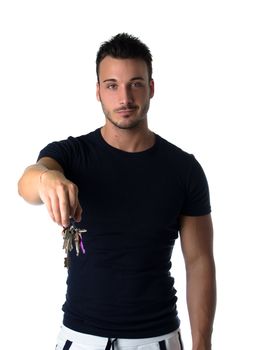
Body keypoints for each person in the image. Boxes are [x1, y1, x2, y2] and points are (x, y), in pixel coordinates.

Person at [18, 33, 216, 350]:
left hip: (156, 339)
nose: (124, 97)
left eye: (135, 83)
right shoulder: (70, 155)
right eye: (112, 85)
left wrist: (202, 343)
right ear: (98, 91)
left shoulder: (183, 169)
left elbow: (199, 261)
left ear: (151, 87)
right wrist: (46, 180)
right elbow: (27, 184)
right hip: (81, 337)